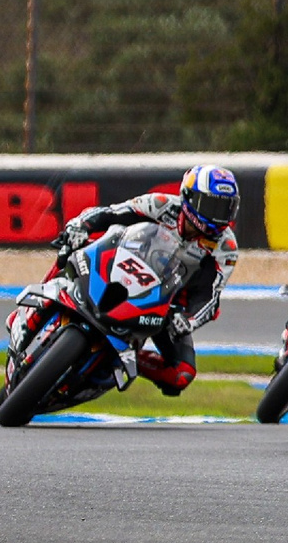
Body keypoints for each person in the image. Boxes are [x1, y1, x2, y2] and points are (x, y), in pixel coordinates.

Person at [48, 163, 242, 395]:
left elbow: (210, 297)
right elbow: (111, 213)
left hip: (163, 304)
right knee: (72, 247)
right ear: (189, 197)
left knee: (182, 374)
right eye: (212, 205)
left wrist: (188, 320)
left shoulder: (226, 248)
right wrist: (81, 226)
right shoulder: (161, 205)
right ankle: (45, 293)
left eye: (225, 209)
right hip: (123, 267)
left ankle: (124, 359)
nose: (218, 216)